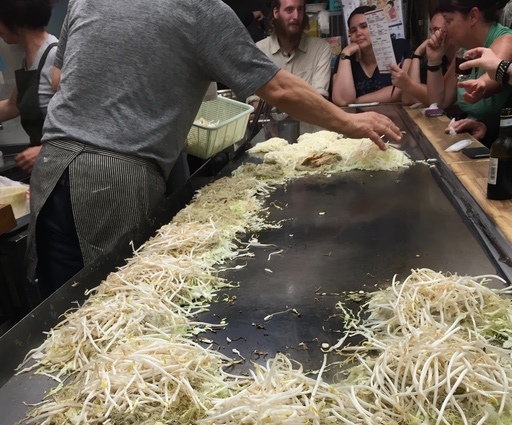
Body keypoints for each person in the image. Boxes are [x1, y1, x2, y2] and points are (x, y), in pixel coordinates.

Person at [28, 0, 400, 299]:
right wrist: (348, 122)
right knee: (116, 306)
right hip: (114, 178)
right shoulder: (199, 10)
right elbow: (278, 88)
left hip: (52, 163)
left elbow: (59, 79)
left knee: (60, 313)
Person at [426, 0, 512, 146]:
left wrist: (481, 84)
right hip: (480, 138)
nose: (443, 29)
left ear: (473, 16)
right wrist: (434, 60)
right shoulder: (465, 50)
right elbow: (439, 102)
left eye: (448, 21)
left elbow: (487, 81)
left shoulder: (506, 41)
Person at [0, 0, 58, 174]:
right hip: (44, 167)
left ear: (14, 19)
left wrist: (47, 150)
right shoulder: (29, 59)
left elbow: (82, 123)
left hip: (61, 165)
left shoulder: (56, 57)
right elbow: (12, 106)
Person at [331, 5, 412, 107]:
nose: (358, 33)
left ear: (377, 27)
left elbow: (404, 90)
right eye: (353, 30)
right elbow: (342, 101)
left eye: (364, 26)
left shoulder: (399, 47)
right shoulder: (345, 57)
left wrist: (358, 101)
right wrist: (346, 53)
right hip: (357, 116)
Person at [256, 0, 332, 96]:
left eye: (300, 9)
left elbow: (319, 98)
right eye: (289, 10)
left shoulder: (320, 49)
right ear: (276, 13)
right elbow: (254, 99)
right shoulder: (260, 50)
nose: (296, 16)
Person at [389, 12, 458, 106]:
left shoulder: (464, 55)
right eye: (431, 31)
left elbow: (437, 102)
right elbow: (408, 99)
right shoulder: (436, 62)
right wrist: (417, 53)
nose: (432, 36)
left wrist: (408, 84)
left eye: (437, 30)